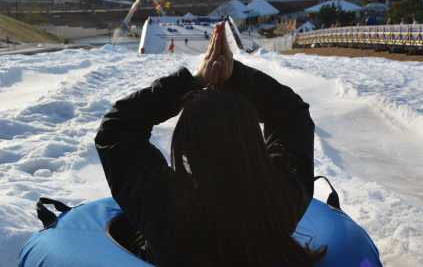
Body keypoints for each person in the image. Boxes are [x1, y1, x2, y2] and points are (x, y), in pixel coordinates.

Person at [95, 23, 323, 267]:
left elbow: (116, 130)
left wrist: (194, 80)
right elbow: (291, 115)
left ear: (187, 144)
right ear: (253, 139)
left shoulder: (163, 205)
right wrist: (235, 76)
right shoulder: (282, 198)